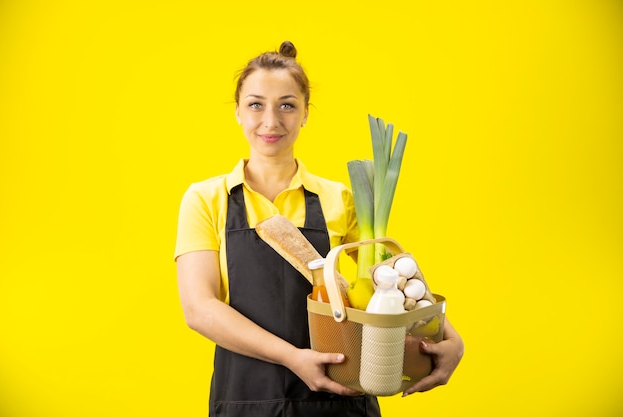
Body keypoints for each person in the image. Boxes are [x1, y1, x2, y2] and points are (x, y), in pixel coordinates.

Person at [174, 41, 464, 417]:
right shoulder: (207, 198)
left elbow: (392, 281)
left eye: (288, 105)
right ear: (238, 112)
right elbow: (199, 308)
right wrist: (292, 357)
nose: (271, 121)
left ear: (306, 113)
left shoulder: (339, 198)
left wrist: (451, 338)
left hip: (339, 395)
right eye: (256, 104)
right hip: (246, 398)